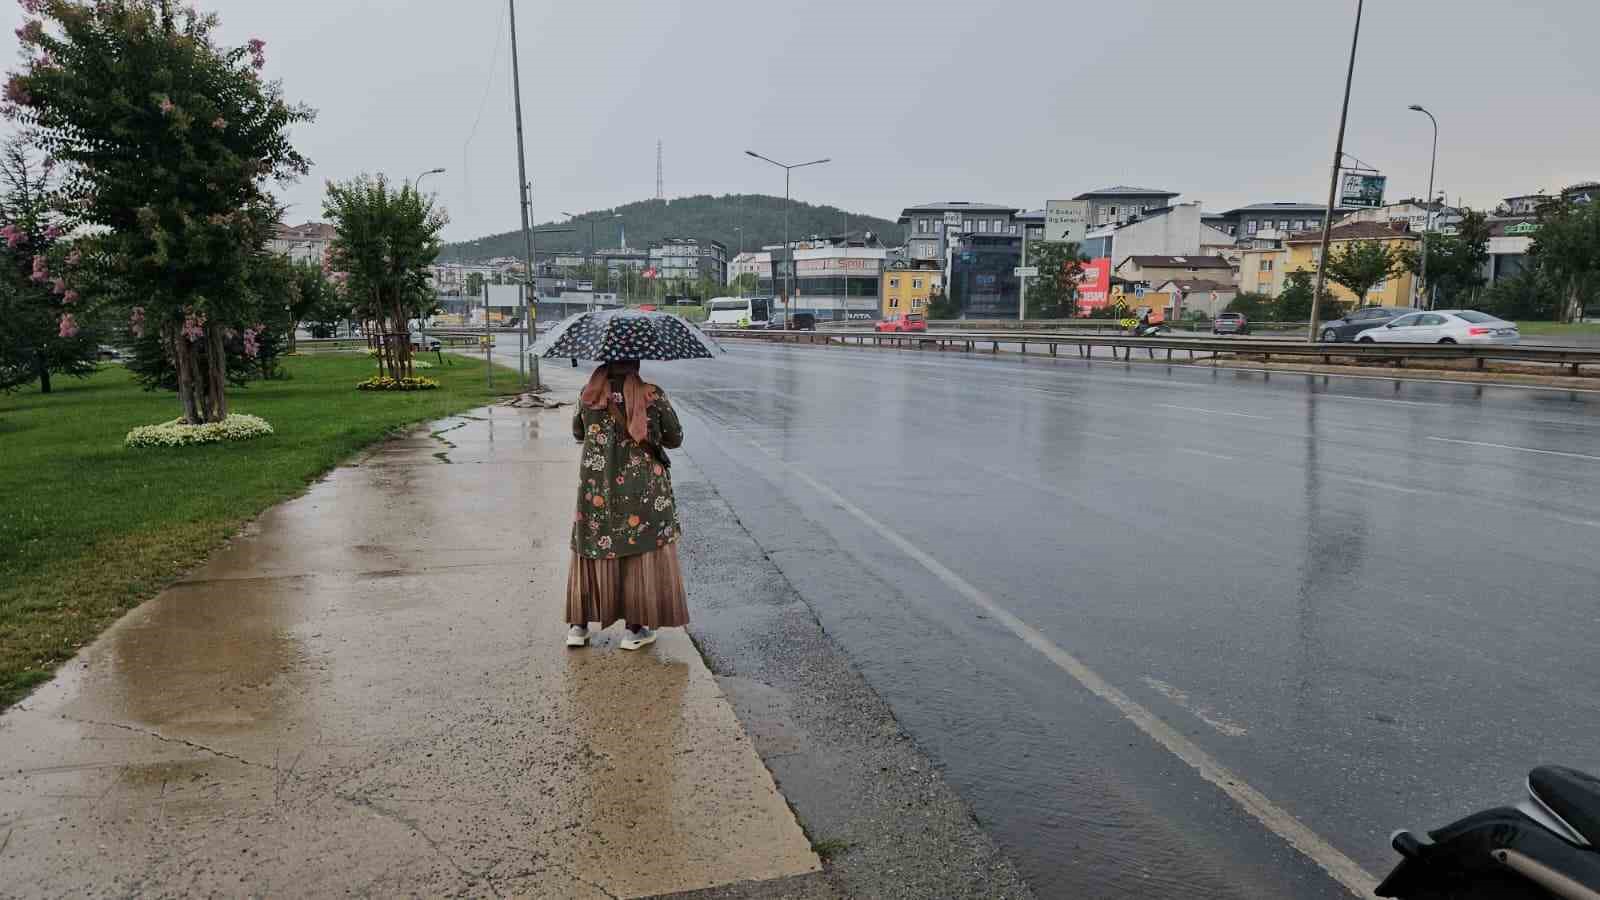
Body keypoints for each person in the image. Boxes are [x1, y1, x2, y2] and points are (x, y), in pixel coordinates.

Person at [565, 360, 689, 650]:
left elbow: (578, 433)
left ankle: (578, 627)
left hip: (597, 490)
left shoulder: (588, 394)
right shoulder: (652, 394)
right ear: (636, 362)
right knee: (639, 553)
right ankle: (634, 630)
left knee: (592, 547)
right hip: (643, 491)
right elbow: (675, 438)